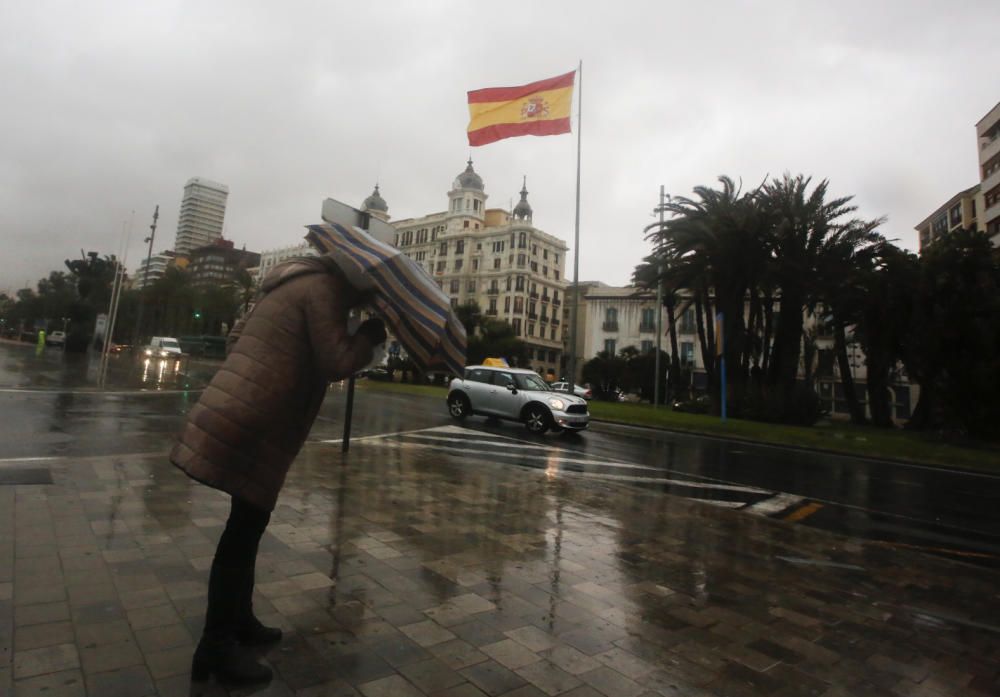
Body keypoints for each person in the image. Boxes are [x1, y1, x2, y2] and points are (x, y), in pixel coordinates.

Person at [170, 255, 385, 685]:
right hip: (258, 419)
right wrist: (368, 337)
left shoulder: (287, 282)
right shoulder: (324, 290)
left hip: (244, 408)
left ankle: (239, 621)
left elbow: (236, 339)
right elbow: (335, 361)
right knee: (242, 533)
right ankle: (215, 646)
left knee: (246, 523)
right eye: (370, 287)